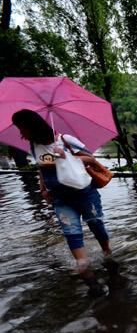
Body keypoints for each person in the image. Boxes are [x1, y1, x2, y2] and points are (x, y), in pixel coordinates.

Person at [11, 109, 114, 296]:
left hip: (84, 193)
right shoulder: (34, 146)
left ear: (32, 126)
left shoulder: (66, 139)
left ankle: (107, 252)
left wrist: (65, 155)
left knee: (95, 224)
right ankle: (88, 275)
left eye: (22, 128)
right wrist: (43, 188)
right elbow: (41, 168)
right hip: (60, 198)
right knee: (71, 231)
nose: (20, 134)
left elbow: (90, 159)